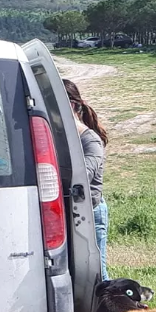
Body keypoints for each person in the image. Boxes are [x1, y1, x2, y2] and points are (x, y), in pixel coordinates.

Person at [65, 78, 110, 280]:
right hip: (73, 212)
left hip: (91, 213)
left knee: (98, 275)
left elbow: (82, 177)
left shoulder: (89, 139)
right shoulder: (63, 137)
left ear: (72, 106)